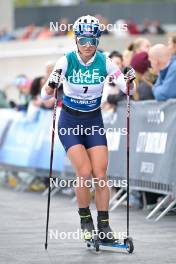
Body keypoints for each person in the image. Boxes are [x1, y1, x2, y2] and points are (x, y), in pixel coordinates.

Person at [41, 15, 135, 243]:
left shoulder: (105, 61)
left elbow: (127, 90)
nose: (87, 45)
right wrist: (52, 82)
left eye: (92, 40)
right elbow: (45, 94)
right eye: (83, 40)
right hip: (69, 122)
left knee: (101, 176)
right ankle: (85, 220)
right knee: (84, 173)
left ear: (98, 40)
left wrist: (130, 80)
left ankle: (104, 225)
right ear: (76, 40)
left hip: (93, 121)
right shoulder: (66, 61)